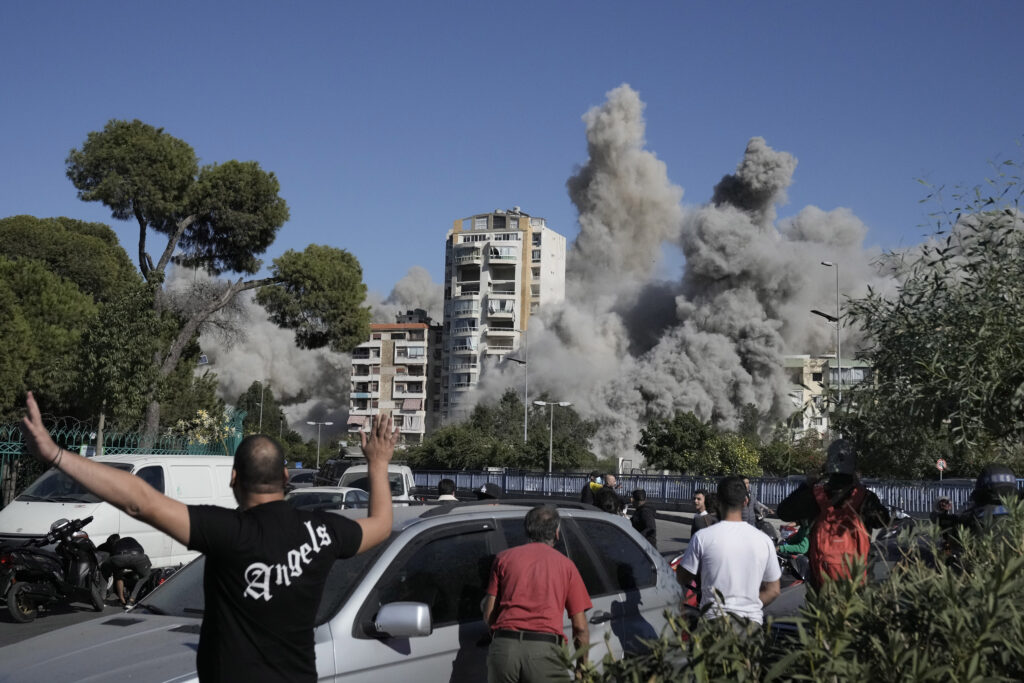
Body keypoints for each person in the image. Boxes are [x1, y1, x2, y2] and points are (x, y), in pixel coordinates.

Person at [20, 391, 398, 683]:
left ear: (234, 479)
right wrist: (377, 463)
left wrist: (55, 454)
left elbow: (139, 500)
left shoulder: (226, 531)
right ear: (286, 479)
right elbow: (381, 525)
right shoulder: (323, 530)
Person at [482, 505, 592, 682]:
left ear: (527, 530)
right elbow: (580, 628)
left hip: (504, 650)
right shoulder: (566, 566)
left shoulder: (503, 559)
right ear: (557, 533)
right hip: (545, 653)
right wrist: (582, 668)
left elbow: (489, 615)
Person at [777, 439, 890, 589]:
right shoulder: (865, 498)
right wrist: (858, 485)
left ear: (828, 465)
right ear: (854, 466)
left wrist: (807, 484)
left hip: (823, 584)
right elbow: (885, 521)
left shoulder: (814, 497)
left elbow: (783, 512)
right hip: (857, 583)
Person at [677, 476, 781, 626]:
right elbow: (773, 590)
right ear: (745, 502)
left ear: (718, 501)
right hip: (751, 624)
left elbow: (682, 577)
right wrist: (748, 606)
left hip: (713, 623)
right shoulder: (764, 541)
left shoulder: (702, 537)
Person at [103, 534, 153, 607]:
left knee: (118, 577)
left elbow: (115, 558)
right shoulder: (130, 539)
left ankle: (119, 600)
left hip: (119, 559)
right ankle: (131, 600)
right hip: (138, 557)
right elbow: (141, 551)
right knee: (145, 576)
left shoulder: (115, 546)